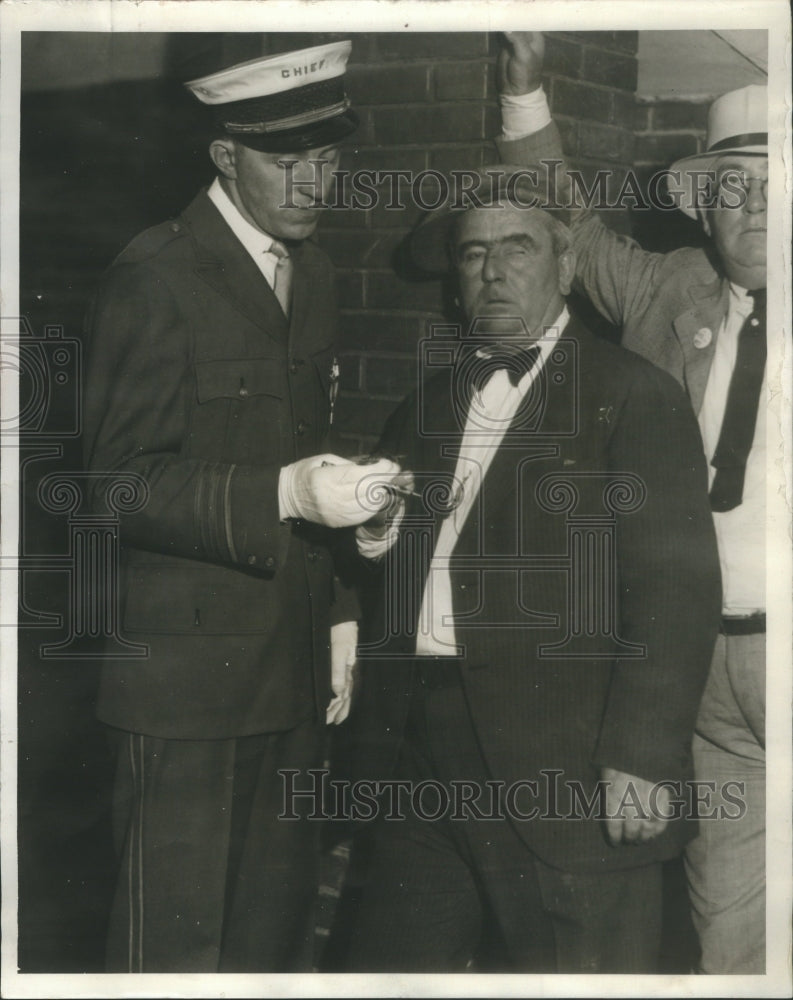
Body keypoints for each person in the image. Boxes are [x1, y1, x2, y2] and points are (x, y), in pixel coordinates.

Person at [342, 168, 721, 972]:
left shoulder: (633, 396)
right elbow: (396, 558)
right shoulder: (424, 406)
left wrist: (643, 756)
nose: (493, 269)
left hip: (569, 766)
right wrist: (376, 537)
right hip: (420, 753)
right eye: (473, 252)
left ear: (566, 267)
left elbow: (674, 591)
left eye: (516, 246)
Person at [82, 40, 401, 972]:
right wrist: (284, 492)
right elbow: (115, 484)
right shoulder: (156, 276)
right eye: (286, 161)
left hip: (293, 672)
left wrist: (340, 607)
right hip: (183, 690)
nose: (313, 184)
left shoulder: (318, 275)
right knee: (171, 953)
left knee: (266, 944)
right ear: (225, 157)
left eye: (330, 159)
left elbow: (306, 448)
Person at [496, 31, 768, 974]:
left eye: (777, 182)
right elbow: (567, 225)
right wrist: (523, 97)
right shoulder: (669, 288)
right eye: (732, 189)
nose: (756, 207)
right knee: (727, 920)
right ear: (702, 208)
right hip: (699, 675)